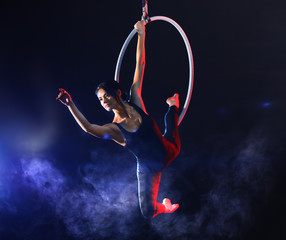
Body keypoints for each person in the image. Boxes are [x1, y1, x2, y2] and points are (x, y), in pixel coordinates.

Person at [57, 20, 181, 218]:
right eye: (100, 99)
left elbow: (140, 64)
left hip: (167, 151)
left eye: (106, 95)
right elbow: (89, 127)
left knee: (171, 128)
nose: (103, 101)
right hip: (148, 167)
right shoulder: (114, 129)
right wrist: (70, 104)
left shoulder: (135, 100)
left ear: (117, 94)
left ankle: (172, 105)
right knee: (148, 211)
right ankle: (166, 206)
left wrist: (141, 32)